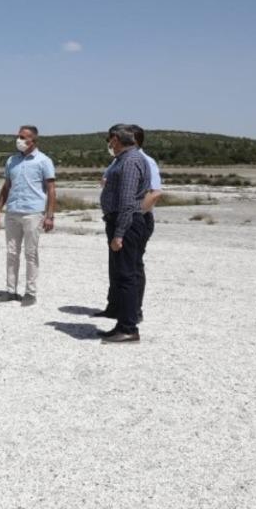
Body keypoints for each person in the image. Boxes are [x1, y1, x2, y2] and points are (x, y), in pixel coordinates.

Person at [93, 124, 162, 320]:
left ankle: (132, 314)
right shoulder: (118, 160)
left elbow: (155, 192)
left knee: (131, 268)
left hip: (132, 219)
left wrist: (134, 214)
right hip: (121, 218)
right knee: (117, 267)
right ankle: (116, 307)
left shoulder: (140, 161)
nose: (109, 142)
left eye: (111, 138)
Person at [0, 125, 57, 306]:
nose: (18, 140)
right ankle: (10, 291)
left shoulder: (43, 161)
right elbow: (6, 186)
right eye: (18, 136)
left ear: (32, 140)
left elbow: (51, 189)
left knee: (30, 253)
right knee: (12, 252)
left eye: (22, 137)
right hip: (12, 211)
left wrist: (50, 215)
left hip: (32, 213)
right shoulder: (12, 160)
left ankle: (30, 292)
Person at [98, 124, 151, 344]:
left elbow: (128, 202)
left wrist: (119, 233)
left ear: (117, 140)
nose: (109, 144)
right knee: (121, 274)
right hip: (120, 222)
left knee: (127, 275)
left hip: (126, 224)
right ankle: (122, 323)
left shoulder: (130, 161)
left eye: (111, 140)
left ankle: (129, 328)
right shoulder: (124, 159)